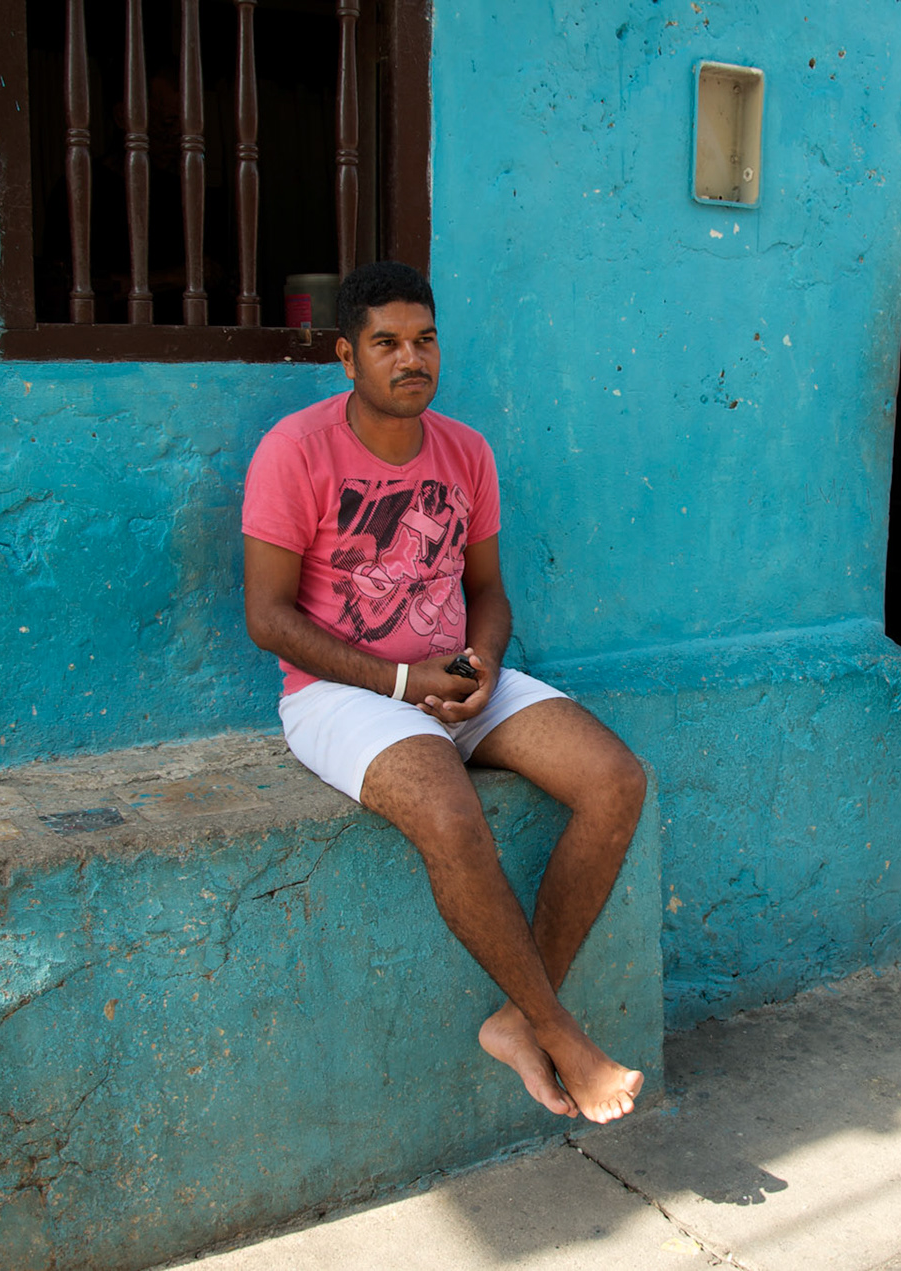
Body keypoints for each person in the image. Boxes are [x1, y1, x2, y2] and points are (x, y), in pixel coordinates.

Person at [241, 261, 647, 1122]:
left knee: (616, 780)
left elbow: (490, 589)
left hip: (455, 675)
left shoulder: (466, 452)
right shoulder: (295, 450)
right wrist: (397, 679)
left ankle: (516, 1017)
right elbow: (269, 619)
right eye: (386, 343)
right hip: (340, 693)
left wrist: (486, 663)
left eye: (424, 340)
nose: (410, 358)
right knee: (451, 813)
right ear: (347, 358)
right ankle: (560, 1033)